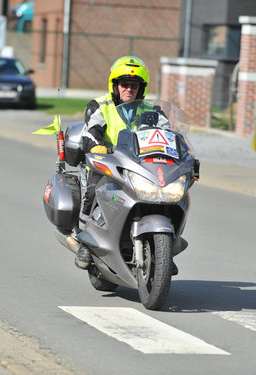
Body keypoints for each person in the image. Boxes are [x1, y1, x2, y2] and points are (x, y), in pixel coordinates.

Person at [75, 56, 169, 270]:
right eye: (124, 84)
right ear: (115, 86)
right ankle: (84, 241)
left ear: (141, 88)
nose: (129, 89)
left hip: (141, 167)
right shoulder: (100, 105)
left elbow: (169, 135)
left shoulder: (152, 112)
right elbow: (91, 130)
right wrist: (97, 145)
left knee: (166, 194)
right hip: (109, 164)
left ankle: (165, 248)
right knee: (93, 188)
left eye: (134, 85)